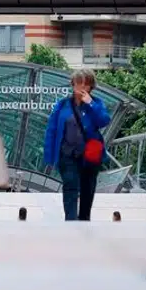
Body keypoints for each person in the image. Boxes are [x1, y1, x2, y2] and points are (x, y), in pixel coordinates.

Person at [41, 69, 112, 222]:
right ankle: (71, 222)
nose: (82, 87)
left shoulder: (96, 103)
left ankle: (84, 220)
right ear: (73, 84)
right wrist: (50, 156)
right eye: (79, 83)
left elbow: (104, 121)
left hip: (89, 156)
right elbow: (52, 130)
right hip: (67, 155)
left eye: (86, 84)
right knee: (70, 186)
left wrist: (90, 104)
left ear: (91, 87)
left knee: (87, 189)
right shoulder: (63, 105)